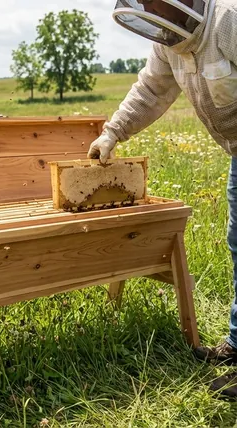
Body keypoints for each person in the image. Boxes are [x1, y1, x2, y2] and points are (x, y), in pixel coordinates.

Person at [88, 0, 237, 398]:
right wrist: (112, 132)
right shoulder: (169, 45)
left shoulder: (229, 23)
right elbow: (151, 90)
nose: (160, 24)